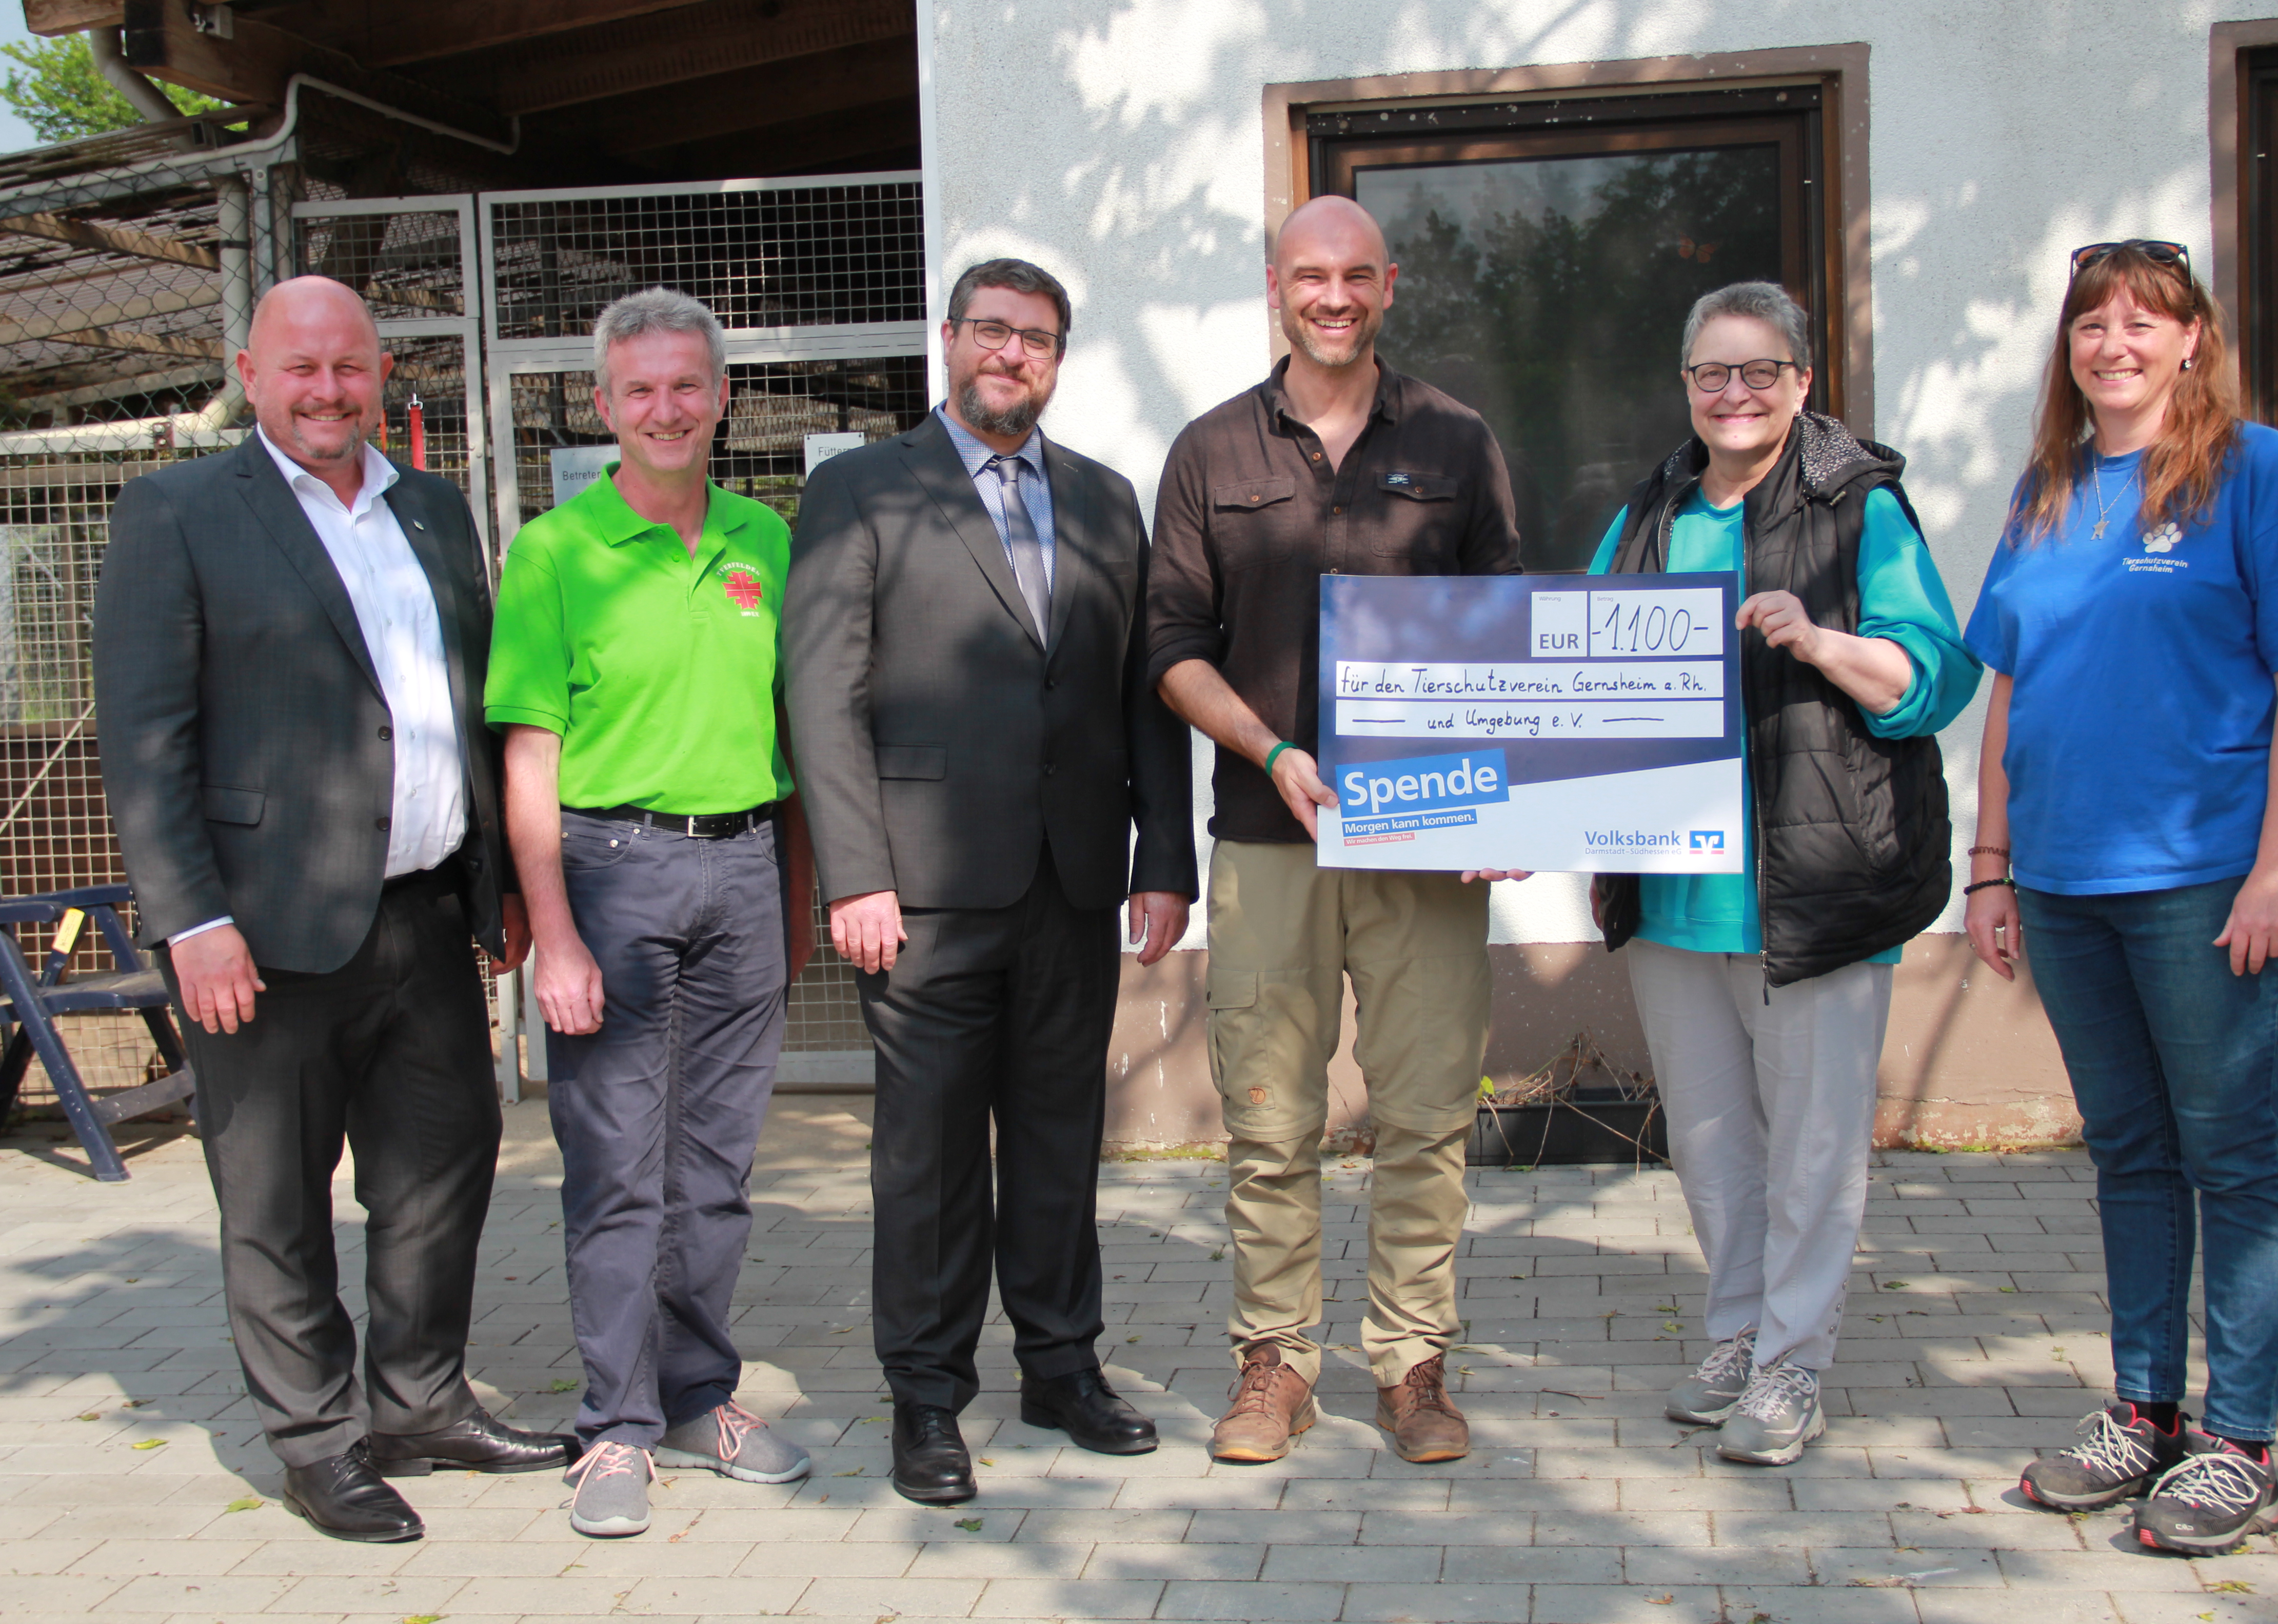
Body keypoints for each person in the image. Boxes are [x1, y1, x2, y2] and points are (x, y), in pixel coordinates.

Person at [93, 276, 568, 1546]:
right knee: (276, 1196)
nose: (327, 391)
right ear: (249, 373)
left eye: (349, 367)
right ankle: (316, 1440)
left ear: (380, 373)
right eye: (300, 368)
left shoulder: (432, 508)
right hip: (259, 935)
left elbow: (464, 705)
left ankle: (418, 1400)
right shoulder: (179, 512)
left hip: (423, 916)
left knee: (442, 1169)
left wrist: (503, 887)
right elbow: (144, 740)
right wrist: (190, 919)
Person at [1967, 240, 2278, 1554]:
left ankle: (2241, 1443)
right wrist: (1989, 865)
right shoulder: (2046, 490)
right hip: (2068, 875)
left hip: (2212, 877)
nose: (2115, 344)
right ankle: (2143, 1411)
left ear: (2193, 340)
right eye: (2092, 324)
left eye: (2145, 322)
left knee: (2233, 1154)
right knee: (2132, 1154)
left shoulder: (2257, 474)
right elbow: (2011, 690)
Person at [783, 257, 1196, 1506]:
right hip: (919, 896)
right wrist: (854, 875)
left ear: (1060, 360)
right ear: (950, 339)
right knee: (931, 1155)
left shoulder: (1106, 500)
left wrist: (1165, 858)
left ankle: (1063, 1368)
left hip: (1073, 882)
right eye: (995, 333)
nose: (1013, 356)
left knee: (1064, 1141)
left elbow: (1142, 695)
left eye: (1039, 340)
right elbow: (819, 690)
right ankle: (927, 1395)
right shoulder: (861, 489)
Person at [1147, 194, 1524, 1466]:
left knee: (1425, 1114)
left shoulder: (1459, 443)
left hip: (1425, 840)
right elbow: (1170, 652)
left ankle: (1414, 1367)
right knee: (1269, 1118)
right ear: (1276, 287)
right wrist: (1271, 748)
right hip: (1267, 835)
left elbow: (1509, 642)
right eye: (1312, 275)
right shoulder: (1210, 453)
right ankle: (1275, 1366)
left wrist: (1512, 797)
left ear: (1390, 285)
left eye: (1358, 274)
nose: (1335, 296)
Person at [1586, 280, 1978, 1467]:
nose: (1735, 393)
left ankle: (1793, 1366)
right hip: (1673, 894)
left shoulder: (1860, 507)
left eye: (1761, 371)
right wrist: (1516, 808)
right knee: (1710, 1138)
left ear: (1804, 382)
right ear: (1689, 387)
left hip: (1818, 880)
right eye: (1713, 371)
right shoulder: (1648, 515)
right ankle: (1738, 1330)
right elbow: (1575, 687)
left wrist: (1817, 639)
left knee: (1813, 1144)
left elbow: (1937, 677)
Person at [485, 288, 821, 1537]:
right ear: (602, 405)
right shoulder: (555, 554)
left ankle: (698, 1397)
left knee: (716, 1171)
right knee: (618, 1169)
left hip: (741, 870)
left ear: (723, 396)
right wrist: (552, 933)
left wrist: (795, 899)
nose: (667, 409)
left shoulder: (765, 542)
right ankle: (612, 1426)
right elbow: (529, 756)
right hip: (610, 874)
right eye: (641, 390)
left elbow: (797, 732)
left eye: (689, 386)